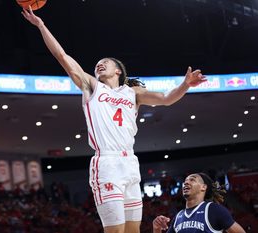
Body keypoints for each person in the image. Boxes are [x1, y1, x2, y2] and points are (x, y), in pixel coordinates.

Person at [22, 7, 206, 233]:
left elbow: (167, 99)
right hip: (106, 163)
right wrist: (41, 26)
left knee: (133, 231)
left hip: (129, 162)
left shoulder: (133, 93)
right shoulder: (92, 87)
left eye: (104, 62)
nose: (99, 65)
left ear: (118, 71)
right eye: (97, 64)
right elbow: (62, 56)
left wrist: (185, 85)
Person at [153, 173, 246, 233]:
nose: (186, 183)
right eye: (185, 181)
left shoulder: (214, 210)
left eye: (192, 180)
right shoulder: (178, 217)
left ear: (203, 187)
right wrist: (157, 229)